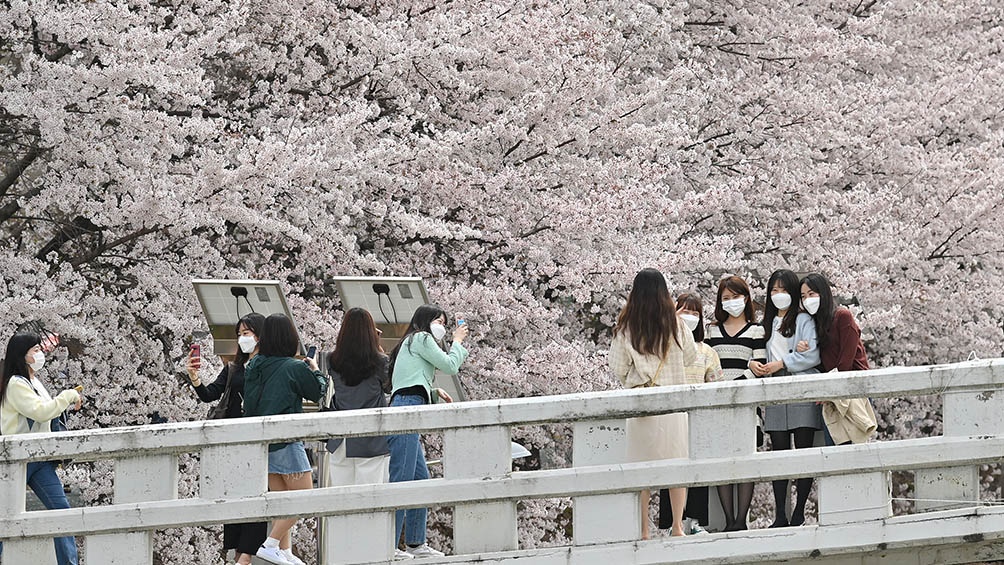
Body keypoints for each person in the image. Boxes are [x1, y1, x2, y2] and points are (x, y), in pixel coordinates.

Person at [609, 269, 697, 539]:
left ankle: (643, 530)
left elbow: (618, 368)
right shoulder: (676, 325)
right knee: (676, 464)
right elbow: (691, 358)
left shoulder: (626, 327)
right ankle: (678, 527)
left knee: (641, 469)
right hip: (673, 404)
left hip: (642, 405)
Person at [243, 313, 327, 565]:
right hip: (286, 441)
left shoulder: (254, 366)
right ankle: (270, 545)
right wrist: (315, 370)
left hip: (262, 443)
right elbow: (317, 392)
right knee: (303, 497)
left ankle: (284, 551)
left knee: (281, 502)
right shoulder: (294, 367)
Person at [186, 313, 268, 565]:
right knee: (234, 492)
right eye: (239, 334)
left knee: (256, 494)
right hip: (232, 437)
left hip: (257, 437)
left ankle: (246, 555)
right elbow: (209, 395)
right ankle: (237, 551)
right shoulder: (233, 368)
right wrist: (195, 378)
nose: (242, 338)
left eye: (247, 333)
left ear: (260, 335)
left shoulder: (269, 366)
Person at [387, 305, 468, 559]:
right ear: (424, 321)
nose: (442, 326)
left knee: (420, 479)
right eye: (439, 321)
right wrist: (457, 342)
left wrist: (433, 392)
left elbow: (408, 380)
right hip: (407, 409)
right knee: (402, 478)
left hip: (408, 405)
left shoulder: (409, 343)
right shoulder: (421, 337)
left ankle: (415, 542)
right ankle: (389, 544)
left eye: (445, 323)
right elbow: (450, 365)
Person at [0, 332, 83, 565]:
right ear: (22, 355)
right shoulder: (16, 384)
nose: (40, 354)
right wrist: (68, 395)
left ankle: (69, 562)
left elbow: (48, 411)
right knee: (4, 514)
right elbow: (41, 412)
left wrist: (66, 401)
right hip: (19, 458)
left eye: (39, 349)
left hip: (39, 456)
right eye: (34, 350)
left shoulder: (33, 381)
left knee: (62, 512)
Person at [323, 308, 400, 555]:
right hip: (370, 438)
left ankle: (342, 553)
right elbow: (388, 387)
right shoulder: (380, 361)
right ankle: (370, 552)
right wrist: (378, 347)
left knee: (341, 501)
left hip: (340, 437)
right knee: (371, 499)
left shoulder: (332, 359)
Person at [750, 269, 822, 528]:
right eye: (774, 290)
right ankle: (780, 513)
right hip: (775, 391)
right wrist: (756, 365)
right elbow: (757, 354)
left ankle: (799, 511)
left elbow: (812, 356)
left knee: (803, 451)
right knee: (778, 452)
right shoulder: (765, 324)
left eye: (784, 290)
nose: (779, 295)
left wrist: (783, 362)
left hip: (801, 389)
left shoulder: (804, 320)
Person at [659, 292, 724, 535]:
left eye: (695, 313)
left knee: (698, 469)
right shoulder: (663, 345)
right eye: (684, 311)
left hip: (700, 417)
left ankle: (696, 521)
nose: (689, 317)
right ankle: (670, 523)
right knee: (671, 469)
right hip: (671, 415)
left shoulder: (707, 352)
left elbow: (716, 383)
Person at [704, 275, 765, 531]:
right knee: (721, 459)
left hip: (746, 403)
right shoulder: (712, 330)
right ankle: (729, 520)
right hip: (717, 403)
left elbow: (760, 366)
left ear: (746, 298)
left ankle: (741, 521)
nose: (731, 302)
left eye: (735, 297)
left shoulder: (757, 330)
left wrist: (738, 381)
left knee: (745, 457)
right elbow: (705, 364)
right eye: (726, 298)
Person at [799, 273, 872, 446]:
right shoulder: (813, 323)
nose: (807, 300)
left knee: (854, 444)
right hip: (831, 392)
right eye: (803, 296)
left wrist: (830, 390)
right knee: (834, 444)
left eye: (811, 294)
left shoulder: (842, 316)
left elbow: (846, 361)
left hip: (853, 388)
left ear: (823, 293)